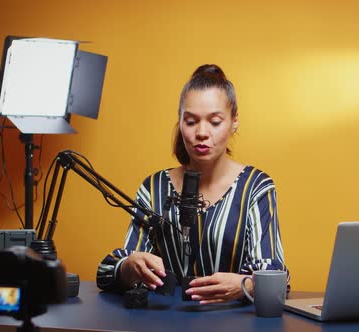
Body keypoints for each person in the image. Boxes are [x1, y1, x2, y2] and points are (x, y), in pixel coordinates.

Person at [96, 64, 289, 304]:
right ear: (180, 122)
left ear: (234, 122)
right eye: (190, 121)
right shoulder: (154, 188)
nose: (202, 133)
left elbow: (277, 278)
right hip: (165, 323)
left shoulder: (256, 187)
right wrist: (130, 266)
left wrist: (243, 285)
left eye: (215, 122)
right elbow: (107, 274)